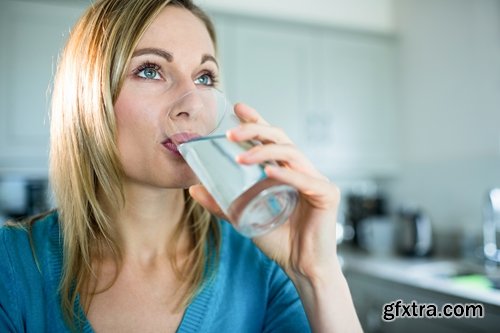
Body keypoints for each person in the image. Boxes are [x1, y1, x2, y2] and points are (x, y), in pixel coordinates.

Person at [0, 0, 362, 332]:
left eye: (204, 77)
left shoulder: (263, 263)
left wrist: (317, 274)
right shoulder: (12, 264)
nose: (193, 104)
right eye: (150, 70)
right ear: (88, 98)